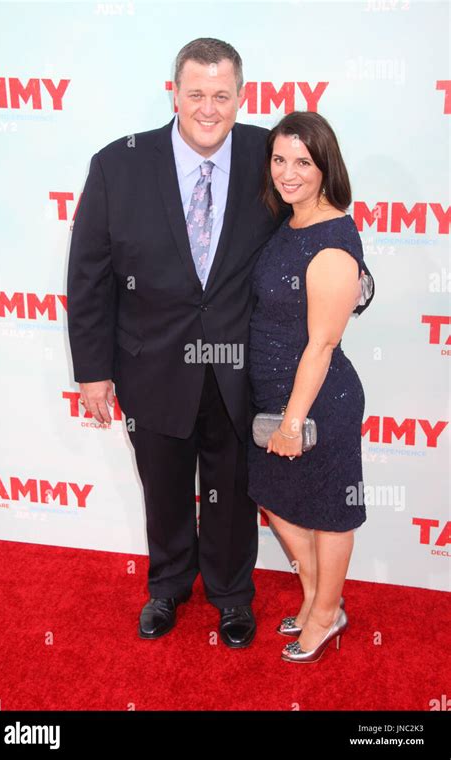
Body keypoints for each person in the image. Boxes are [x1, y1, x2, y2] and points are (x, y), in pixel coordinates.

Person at [67, 38, 373, 650]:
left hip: (241, 371)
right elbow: (89, 273)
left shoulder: (272, 154)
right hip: (150, 363)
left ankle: (233, 596)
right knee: (163, 485)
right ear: (174, 93)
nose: (209, 108)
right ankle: (168, 585)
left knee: (233, 491)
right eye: (196, 93)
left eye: (222, 95)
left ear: (241, 97)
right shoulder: (117, 163)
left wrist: (357, 282)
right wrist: (93, 371)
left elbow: (325, 226)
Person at [247, 111, 375, 663]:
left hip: (319, 401)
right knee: (276, 500)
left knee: (327, 511)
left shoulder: (331, 242)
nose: (288, 172)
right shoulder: (290, 220)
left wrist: (294, 420)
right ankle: (317, 595)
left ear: (326, 168)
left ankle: (325, 615)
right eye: (280, 159)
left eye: (303, 162)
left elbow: (321, 345)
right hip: (273, 396)